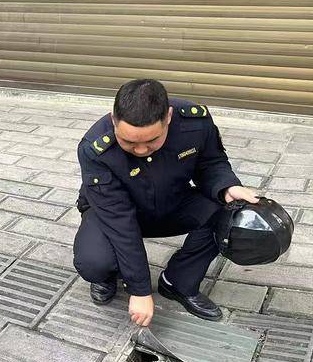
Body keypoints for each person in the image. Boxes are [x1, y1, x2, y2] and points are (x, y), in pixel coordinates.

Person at [73, 79, 258, 325]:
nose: (141, 150)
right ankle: (109, 275)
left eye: (152, 141)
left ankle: (178, 282)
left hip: (171, 202)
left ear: (168, 117)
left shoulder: (195, 123)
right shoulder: (95, 148)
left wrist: (227, 187)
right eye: (129, 142)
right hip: (111, 212)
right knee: (94, 262)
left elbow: (211, 163)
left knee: (227, 213)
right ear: (113, 119)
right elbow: (119, 222)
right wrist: (139, 289)